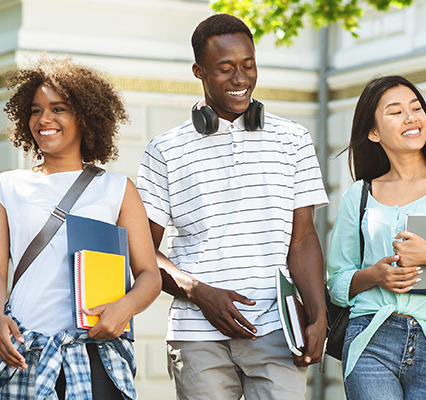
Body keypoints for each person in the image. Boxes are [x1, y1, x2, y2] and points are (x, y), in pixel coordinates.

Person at [134, 13, 330, 400]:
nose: (240, 79)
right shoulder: (165, 149)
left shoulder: (294, 139)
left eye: (248, 65)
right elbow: (141, 252)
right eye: (225, 69)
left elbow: (304, 238)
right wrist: (198, 292)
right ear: (199, 71)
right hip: (196, 335)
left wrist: (319, 314)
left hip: (277, 330)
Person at [0, 56, 162, 400]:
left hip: (95, 351)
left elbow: (150, 275)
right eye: (35, 110)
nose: (44, 119)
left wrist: (125, 307)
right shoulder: (4, 188)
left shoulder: (118, 189)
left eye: (57, 108)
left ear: (84, 116)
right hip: (26, 350)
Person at [325, 75, 426, 399]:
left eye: (416, 108)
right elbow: (338, 282)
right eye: (395, 111)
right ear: (373, 132)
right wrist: (374, 275)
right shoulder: (359, 195)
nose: (411, 117)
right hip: (370, 336)